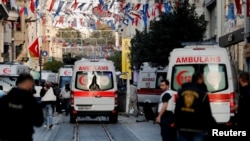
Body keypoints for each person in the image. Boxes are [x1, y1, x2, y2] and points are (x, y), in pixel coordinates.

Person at [0, 73, 44, 141]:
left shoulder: (4, 99)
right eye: (32, 85)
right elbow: (38, 122)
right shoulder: (31, 102)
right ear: (28, 84)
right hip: (24, 137)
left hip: (5, 137)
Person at [174, 72, 215, 141]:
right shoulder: (202, 93)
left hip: (183, 126)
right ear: (200, 80)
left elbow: (177, 110)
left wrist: (176, 124)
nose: (204, 81)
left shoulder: (181, 91)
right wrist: (210, 127)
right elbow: (207, 113)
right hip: (198, 127)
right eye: (203, 79)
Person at [235, 72, 250, 136]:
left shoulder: (247, 91)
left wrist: (238, 107)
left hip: (245, 119)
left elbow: (246, 106)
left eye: (239, 78)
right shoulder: (244, 89)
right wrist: (238, 106)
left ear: (241, 79)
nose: (238, 80)